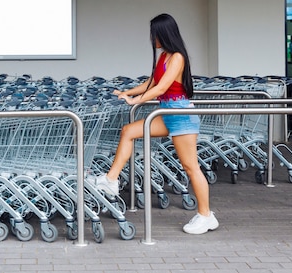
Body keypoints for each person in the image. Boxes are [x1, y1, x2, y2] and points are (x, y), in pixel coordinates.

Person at [92, 13, 218, 235]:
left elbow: (161, 89)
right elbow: (152, 82)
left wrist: (136, 101)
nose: (152, 39)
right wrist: (127, 92)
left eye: (154, 34)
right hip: (167, 113)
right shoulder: (164, 56)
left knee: (190, 167)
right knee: (129, 131)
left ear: (164, 33)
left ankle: (206, 215)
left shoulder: (178, 57)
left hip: (180, 115)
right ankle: (111, 180)